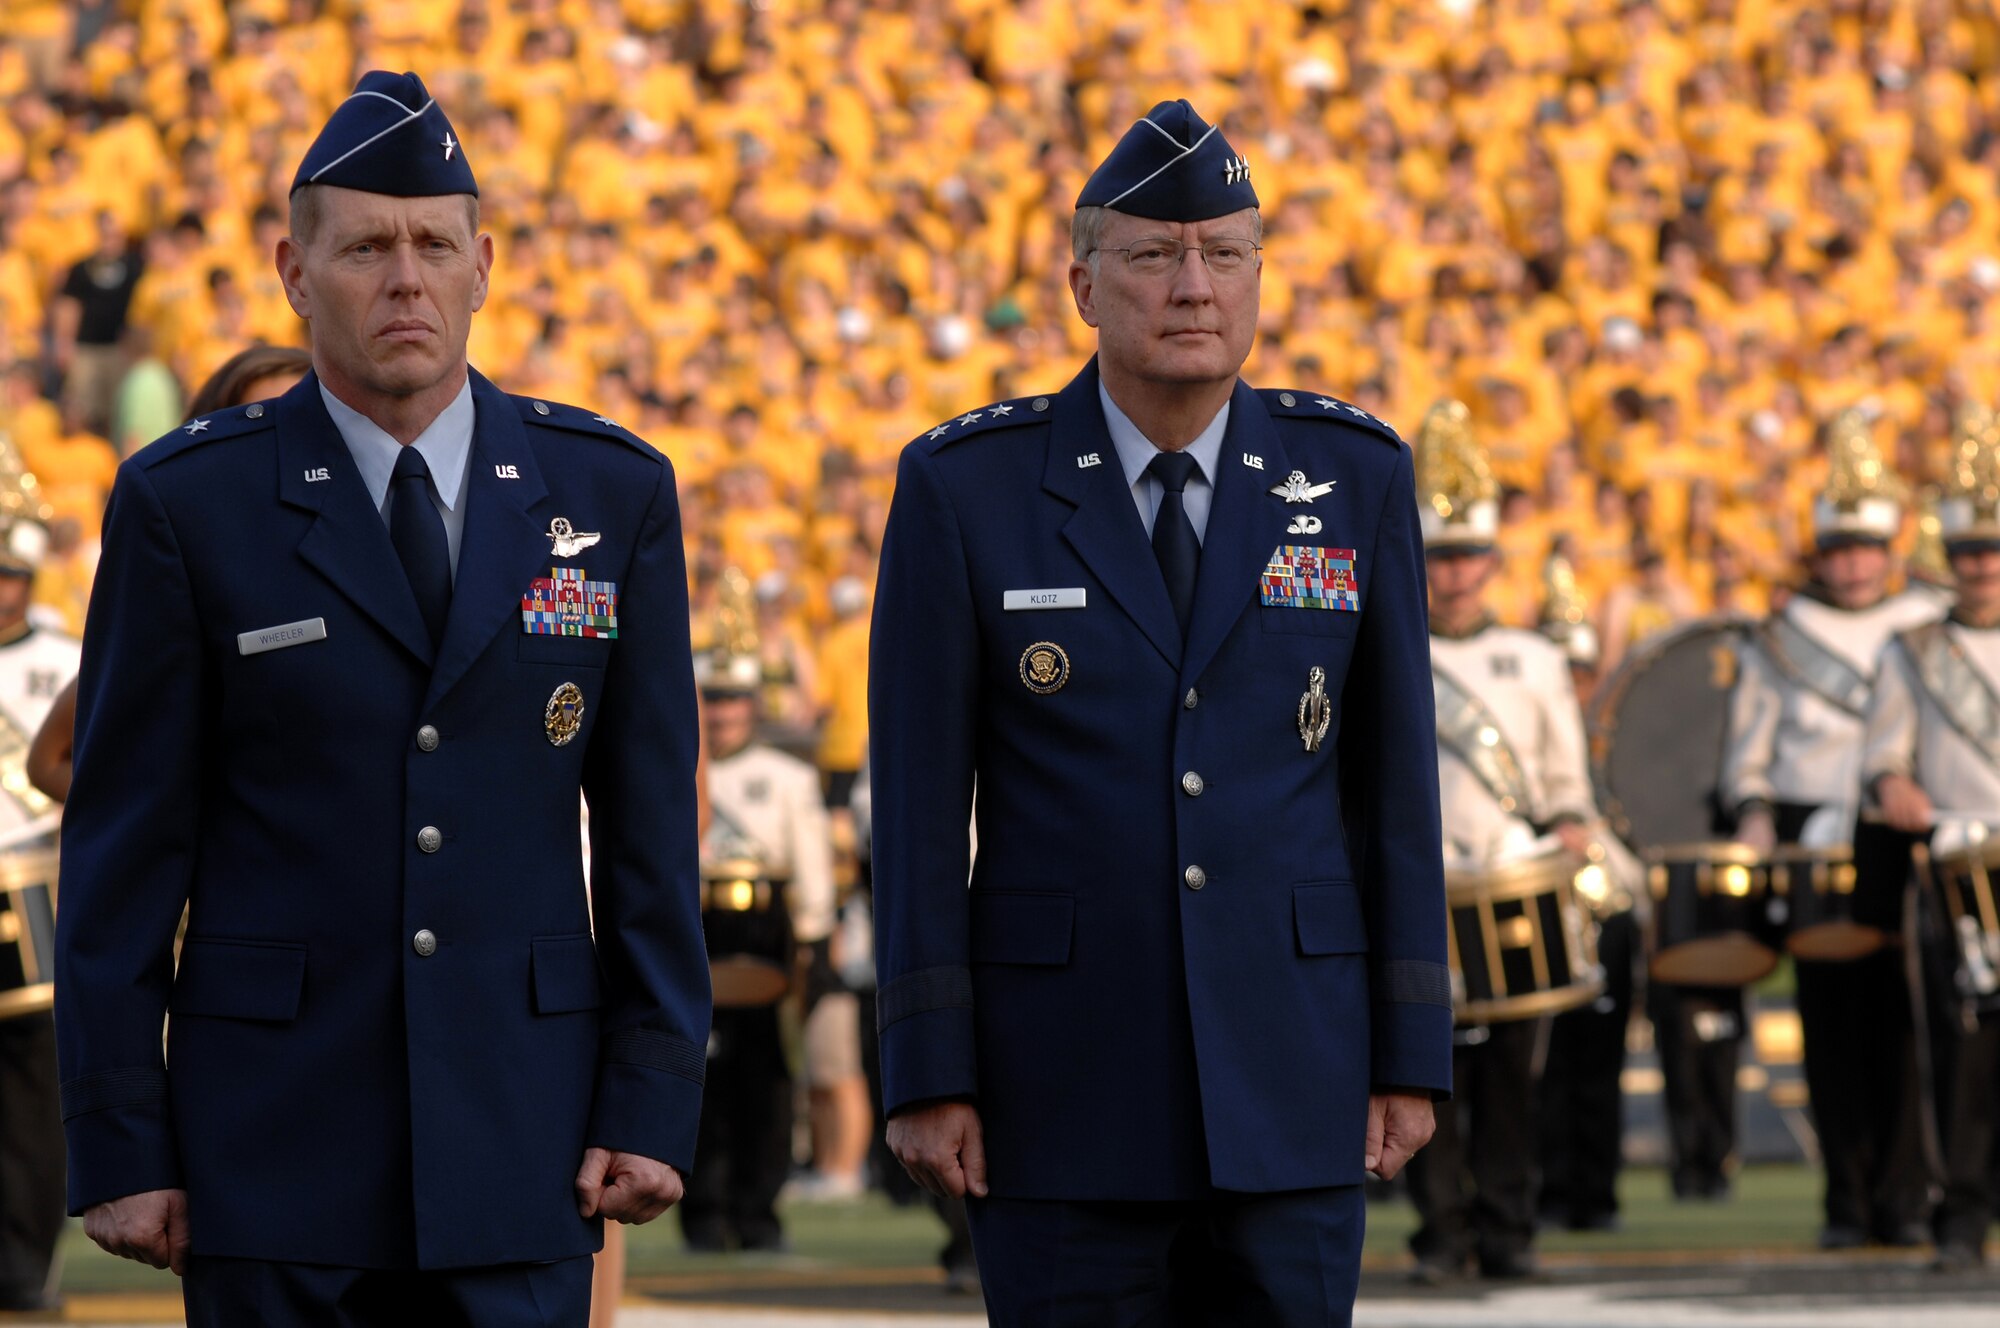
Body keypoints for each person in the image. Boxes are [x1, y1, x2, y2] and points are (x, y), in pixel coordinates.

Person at [52, 72, 707, 1326]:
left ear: (483, 266)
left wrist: (651, 1095)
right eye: (364, 246)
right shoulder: (188, 506)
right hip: (269, 1151)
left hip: (524, 1137)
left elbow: (648, 840)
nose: (404, 277)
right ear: (294, 273)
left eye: (431, 244)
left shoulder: (609, 491)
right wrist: (123, 1136)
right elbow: (125, 851)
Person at [869, 100, 1450, 1322]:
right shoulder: (963, 487)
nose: (1192, 284)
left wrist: (1409, 1050)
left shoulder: (1354, 475)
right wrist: (928, 1067)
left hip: (1294, 1082)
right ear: (1082, 283)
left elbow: (1394, 791)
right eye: (1151, 254)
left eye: (1223, 253)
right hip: (1059, 1092)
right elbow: (920, 810)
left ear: (1255, 276)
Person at [1406, 401, 1638, 1281]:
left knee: (1513, 1067)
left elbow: (1564, 775)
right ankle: (1441, 1232)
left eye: (1467, 559)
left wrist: (1572, 822)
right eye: (1439, 559)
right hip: (1424, 879)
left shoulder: (1537, 661)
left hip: (1510, 879)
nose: (1454, 576)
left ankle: (1507, 1228)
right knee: (1425, 1070)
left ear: (1494, 563)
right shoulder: (1381, 648)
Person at [1721, 410, 1939, 1249]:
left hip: (1903, 835)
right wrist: (1753, 819)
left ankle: (1910, 1198)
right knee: (1833, 1023)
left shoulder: (1930, 625)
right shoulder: (1780, 636)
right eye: (1838, 549)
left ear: (1891, 551)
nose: (1852, 565)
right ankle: (1846, 1202)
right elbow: (1750, 757)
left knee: (1911, 1023)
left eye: (1866, 548)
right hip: (1814, 841)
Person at [1861, 404, 2000, 1271]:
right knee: (1969, 1054)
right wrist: (1894, 786)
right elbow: (1885, 757)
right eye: (1970, 553)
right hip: (1962, 872)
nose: (1983, 566)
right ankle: (1965, 1215)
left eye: (1993, 550)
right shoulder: (1910, 650)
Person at [682, 641, 835, 1251]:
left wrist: (815, 942)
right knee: (698, 1080)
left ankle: (757, 1212)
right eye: (711, 700)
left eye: (732, 700)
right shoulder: (675, 767)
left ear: (752, 705)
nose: (720, 714)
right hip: (698, 926)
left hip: (765, 933)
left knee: (766, 1084)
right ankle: (703, 1214)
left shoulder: (787, 777)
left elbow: (813, 866)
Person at [0, 467, 79, 1314]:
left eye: (10, 577)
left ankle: (24, 1265)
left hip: (36, 887)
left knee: (33, 1093)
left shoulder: (67, 659)